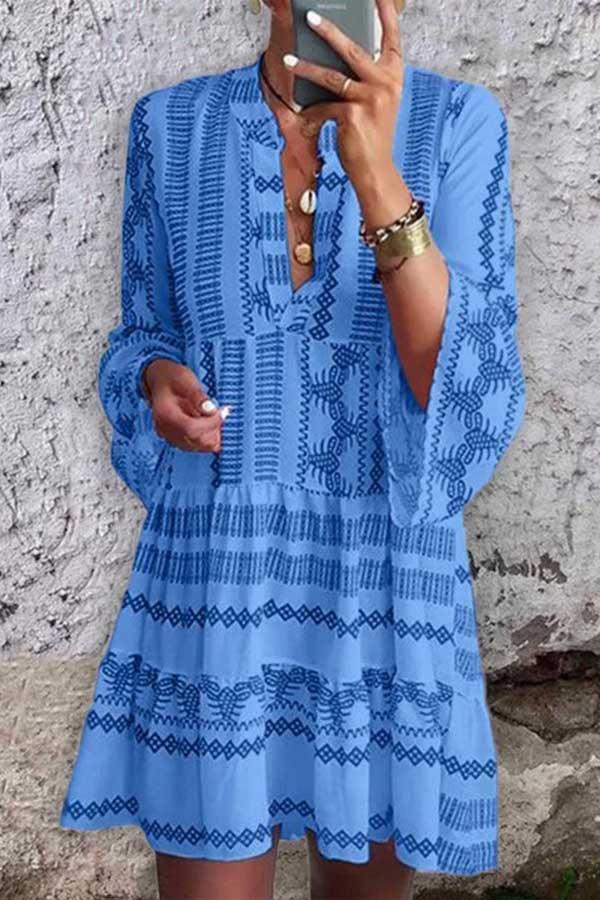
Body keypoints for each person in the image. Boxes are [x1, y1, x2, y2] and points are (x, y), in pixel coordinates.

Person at [59, 0, 527, 897]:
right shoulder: (170, 127)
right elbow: (142, 333)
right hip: (218, 580)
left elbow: (462, 393)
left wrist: (374, 167)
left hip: (381, 582)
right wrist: (154, 378)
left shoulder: (460, 123)